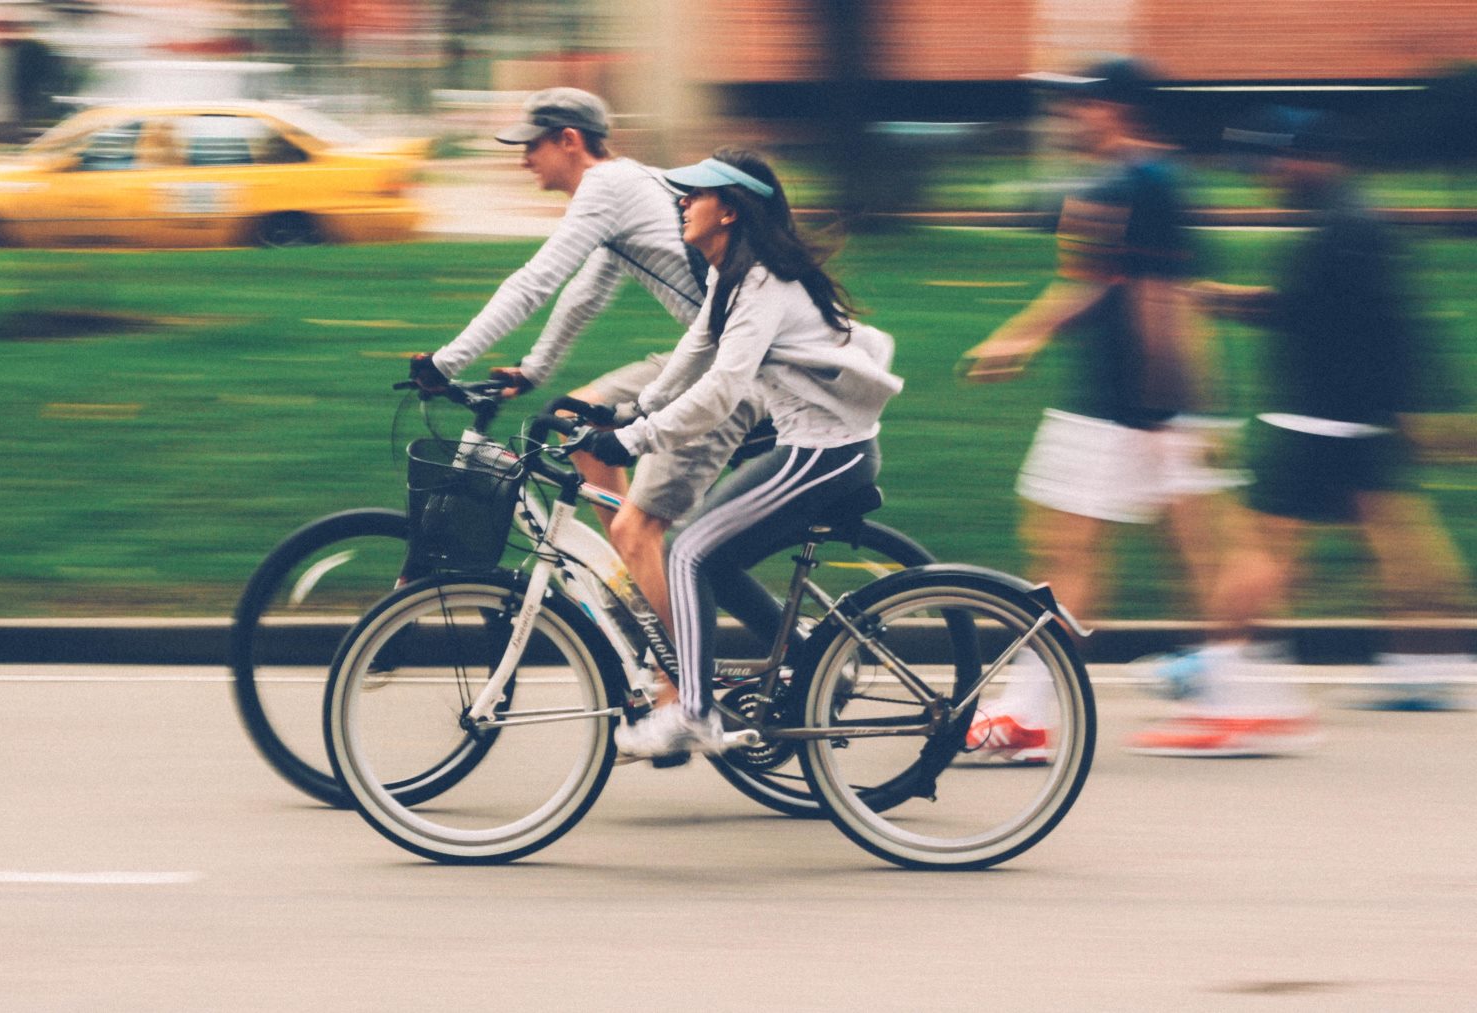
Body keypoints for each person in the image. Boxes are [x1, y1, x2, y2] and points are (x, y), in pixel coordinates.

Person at [1127, 108, 1473, 754]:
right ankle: (1429, 665)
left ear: (1310, 156)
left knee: (1259, 548)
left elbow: (1309, 314)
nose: (1266, 176)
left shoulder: (1340, 226)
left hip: (1319, 416)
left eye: (1273, 161)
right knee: (1398, 535)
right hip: (1356, 416)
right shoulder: (1350, 216)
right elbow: (1374, 319)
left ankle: (1229, 689)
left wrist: (1219, 298)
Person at [404, 88, 762, 653]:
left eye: (532, 145)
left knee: (637, 526)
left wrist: (445, 363)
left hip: (736, 370)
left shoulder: (607, 187)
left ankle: (678, 686)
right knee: (575, 423)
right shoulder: (625, 186)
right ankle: (637, 591)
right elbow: (584, 295)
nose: (523, 158)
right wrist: (532, 369)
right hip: (708, 352)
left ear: (569, 140)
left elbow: (535, 282)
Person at [959, 57, 1238, 762]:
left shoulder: (1139, 182)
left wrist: (1164, 408)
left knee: (1087, 552)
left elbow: (1162, 296)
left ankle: (1033, 713)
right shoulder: (1142, 180)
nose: (1068, 116)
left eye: (1079, 105)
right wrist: (1020, 338)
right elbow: (1098, 286)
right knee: (1123, 551)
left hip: (1131, 408)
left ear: (1116, 109)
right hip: (1136, 405)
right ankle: (1230, 696)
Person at [586, 150, 904, 758]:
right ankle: (812, 659)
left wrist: (634, 439)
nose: (681, 202)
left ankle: (695, 713)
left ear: (728, 210)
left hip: (826, 455)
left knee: (687, 555)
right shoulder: (733, 274)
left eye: (694, 195)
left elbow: (723, 388)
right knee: (715, 560)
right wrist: (634, 408)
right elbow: (694, 349)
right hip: (811, 450)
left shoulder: (764, 283)